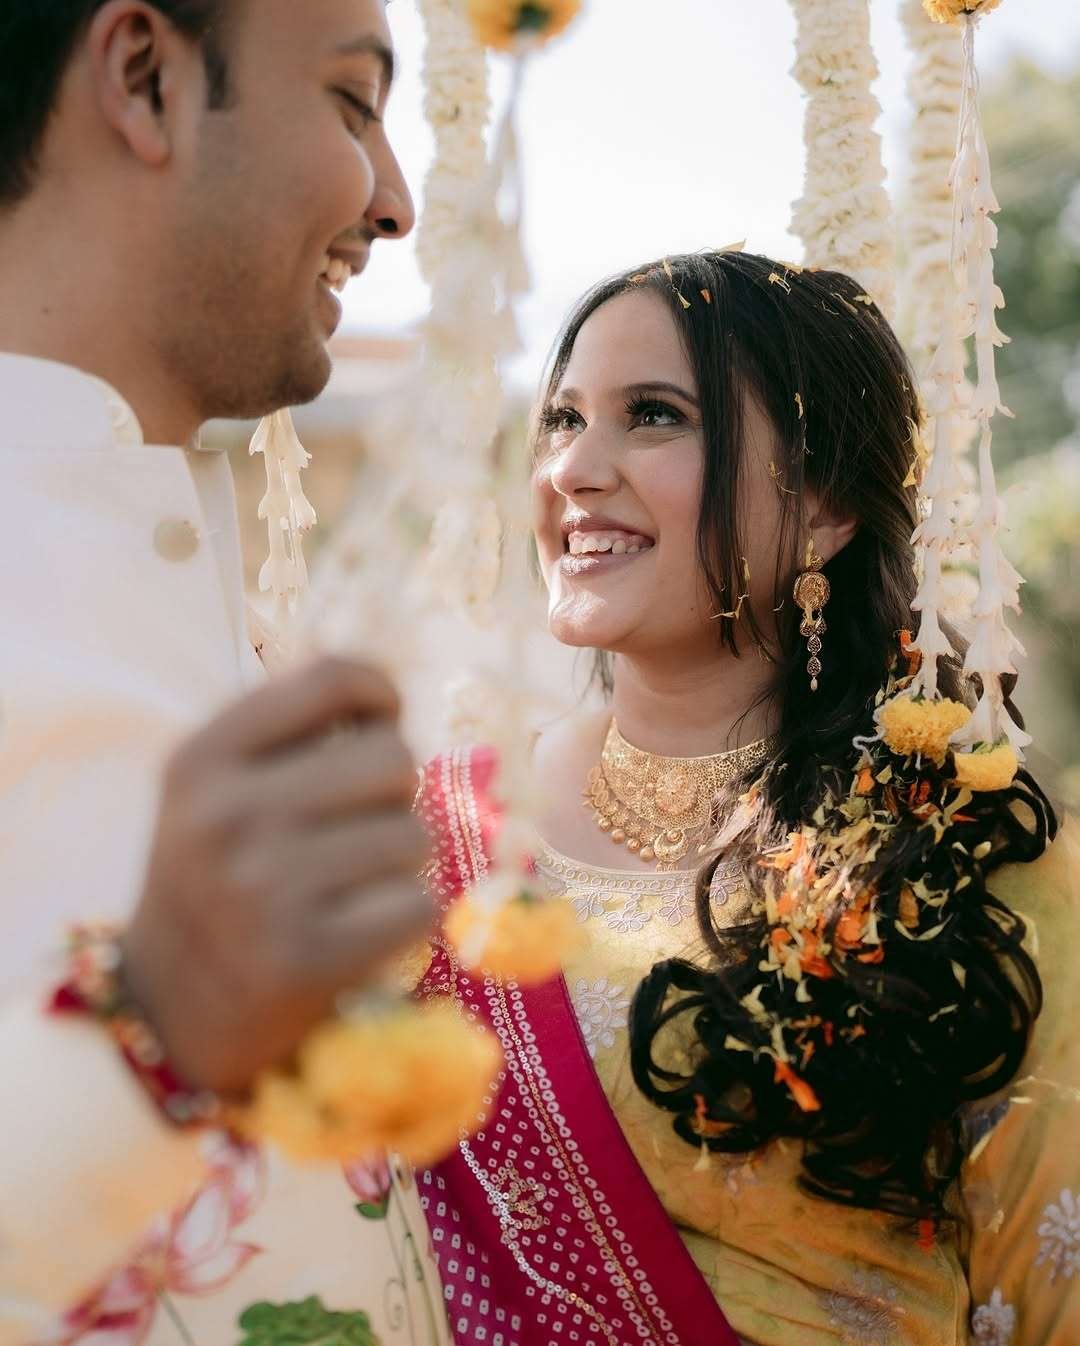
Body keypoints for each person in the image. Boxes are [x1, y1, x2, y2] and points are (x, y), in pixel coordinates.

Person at [415, 250, 1078, 1345]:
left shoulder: (961, 868)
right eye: (563, 417)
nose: (573, 468)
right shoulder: (439, 833)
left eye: (655, 416)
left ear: (824, 506)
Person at [0, 2, 450, 1341]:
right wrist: (149, 1033)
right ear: (145, 78)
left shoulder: (217, 596)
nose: (395, 202)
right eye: (353, 101)